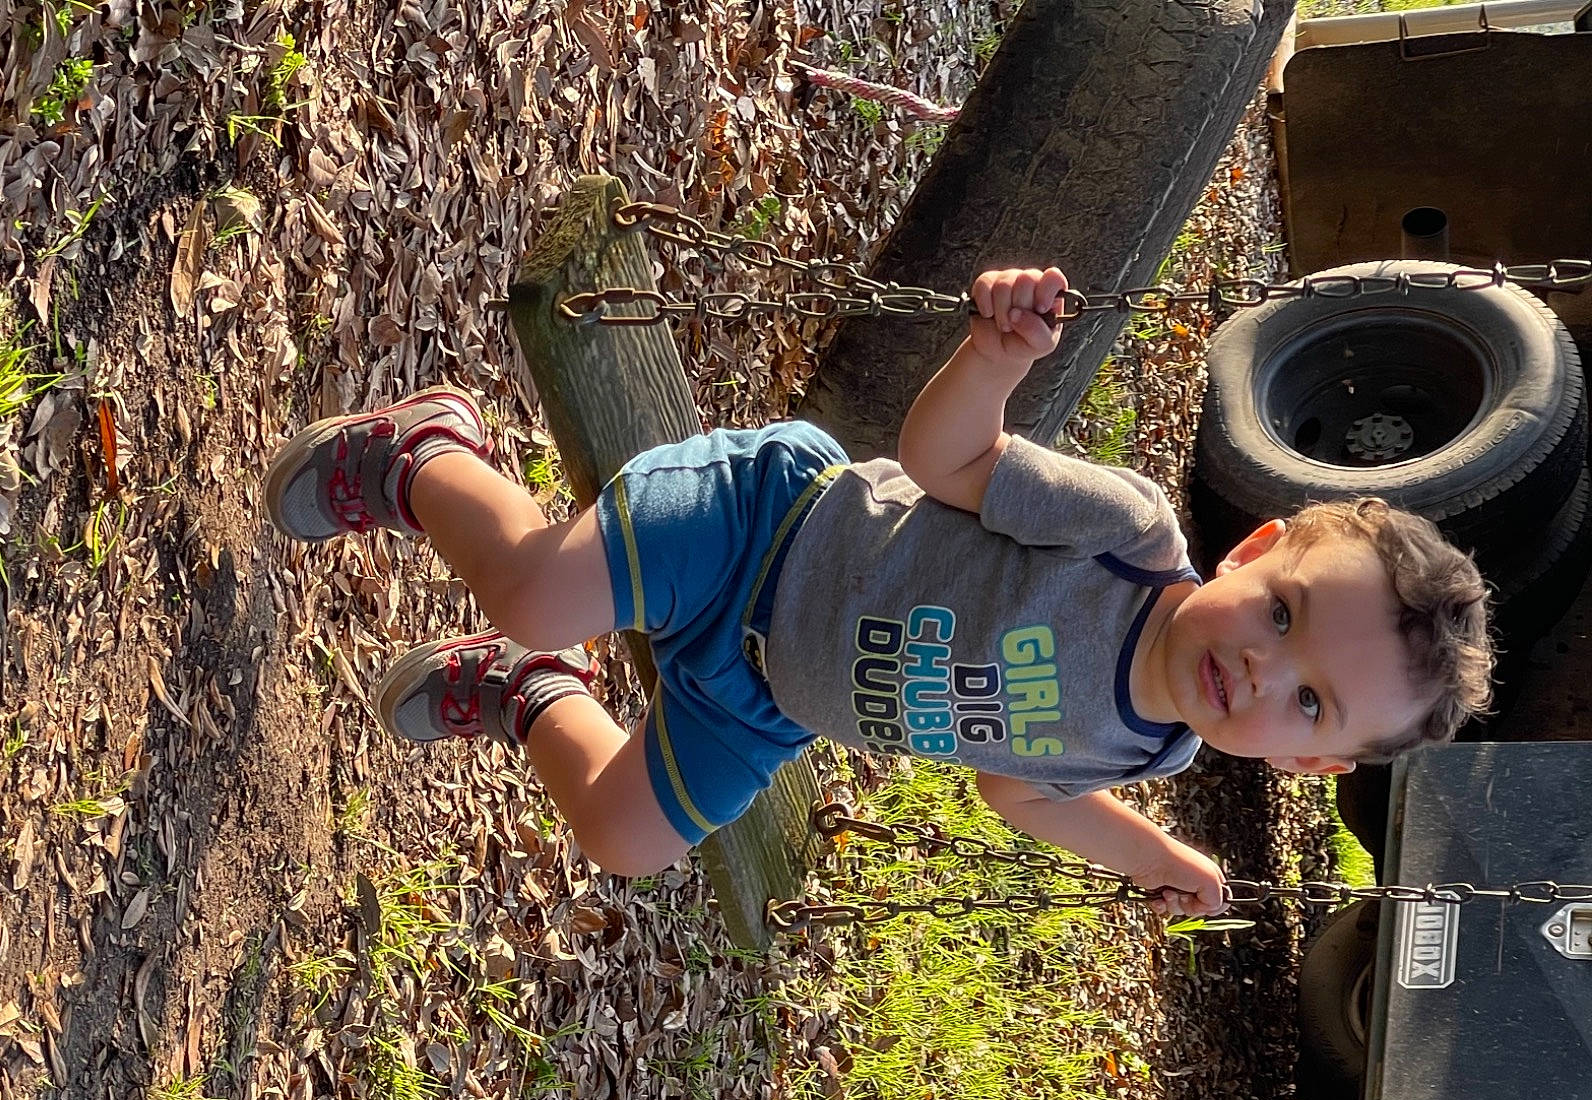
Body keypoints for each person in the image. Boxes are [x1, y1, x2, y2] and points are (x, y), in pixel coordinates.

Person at [259, 267, 1493, 917]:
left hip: (767, 695)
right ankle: (424, 456)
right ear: (1254, 547)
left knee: (622, 837)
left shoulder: (1154, 743)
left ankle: (530, 694)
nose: (1263, 671)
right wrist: (991, 357)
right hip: (765, 529)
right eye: (1282, 615)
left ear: (1308, 769)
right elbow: (941, 460)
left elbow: (1018, 789)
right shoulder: (1123, 540)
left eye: (1309, 703)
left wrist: (1144, 855)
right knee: (538, 589)